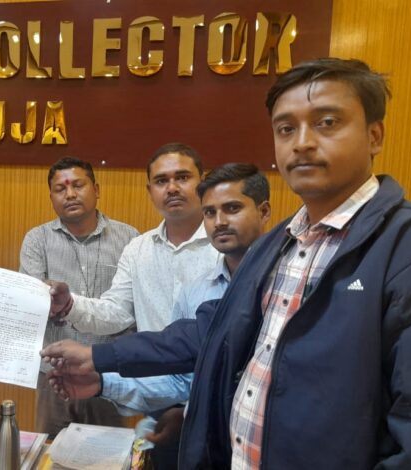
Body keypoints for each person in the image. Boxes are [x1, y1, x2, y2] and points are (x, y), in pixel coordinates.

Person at [44, 58, 411, 469]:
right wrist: (99, 359)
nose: (302, 142)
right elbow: (206, 333)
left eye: (327, 122)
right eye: (286, 128)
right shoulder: (277, 244)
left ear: (374, 135)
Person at [48, 163, 271, 447]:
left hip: (267, 436)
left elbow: (185, 342)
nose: (220, 221)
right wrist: (103, 383)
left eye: (232, 209)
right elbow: (183, 375)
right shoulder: (194, 288)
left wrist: (95, 355)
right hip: (201, 433)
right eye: (210, 212)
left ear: (264, 211)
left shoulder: (283, 279)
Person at [49, 143, 220, 468]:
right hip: (157, 396)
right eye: (161, 181)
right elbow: (116, 312)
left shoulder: (225, 245)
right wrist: (69, 304)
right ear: (150, 190)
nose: (172, 188)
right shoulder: (138, 249)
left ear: (203, 182)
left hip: (216, 402)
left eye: (182, 177)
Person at [19, 157, 138, 438]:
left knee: (108, 453)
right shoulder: (37, 240)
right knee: (51, 452)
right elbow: (33, 303)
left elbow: (132, 306)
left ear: (96, 189)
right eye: (60, 189)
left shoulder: (129, 238)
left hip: (108, 372)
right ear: (51, 197)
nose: (70, 194)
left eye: (78, 185)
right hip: (54, 374)